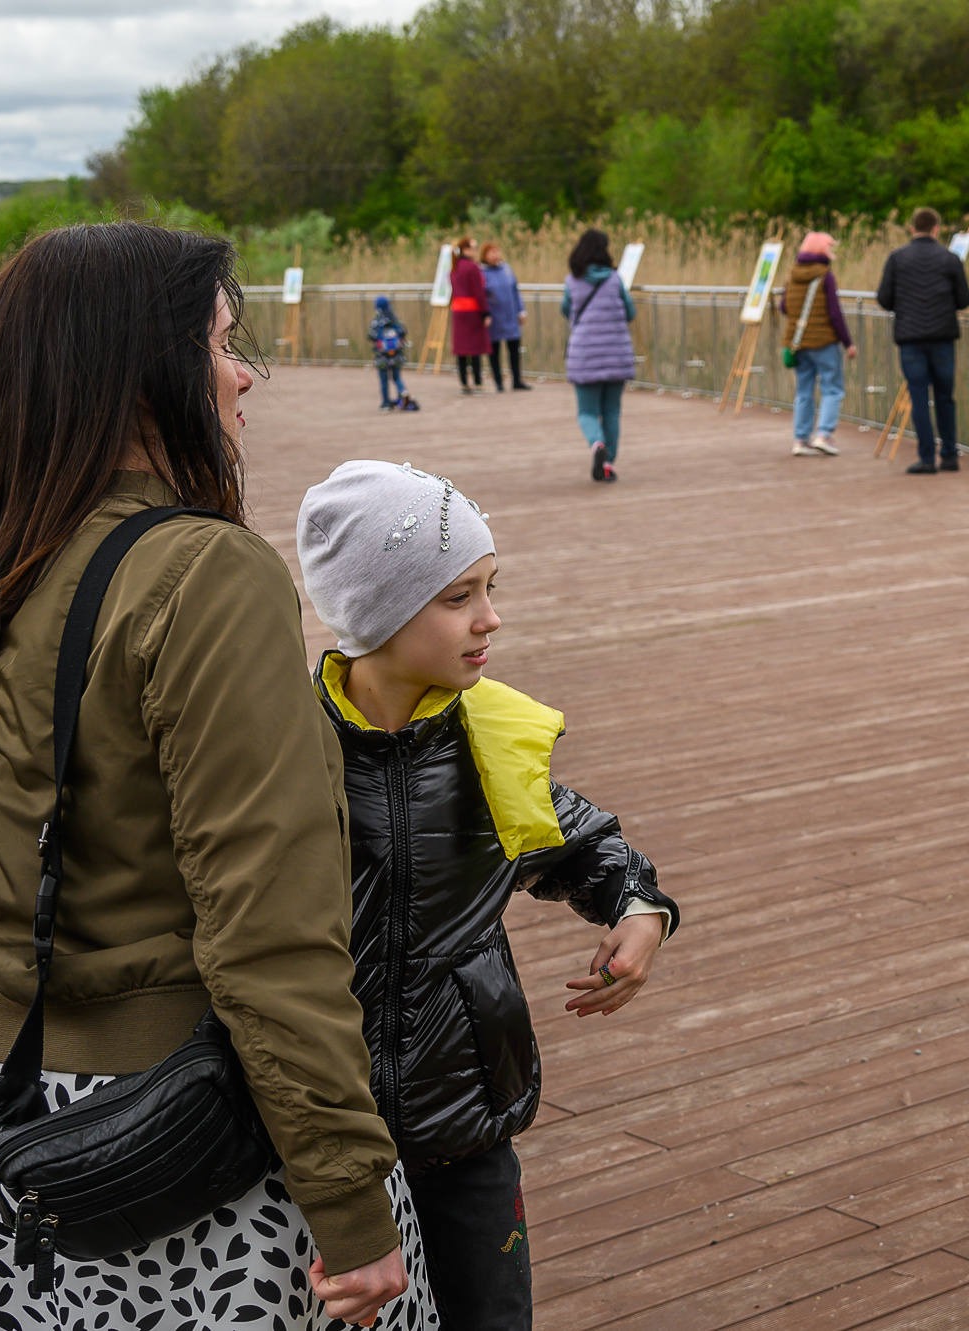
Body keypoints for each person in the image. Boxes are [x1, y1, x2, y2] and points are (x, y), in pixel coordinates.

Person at [0, 222, 428, 1330]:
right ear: (139, 375)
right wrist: (345, 1193)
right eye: (222, 344)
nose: (239, 377)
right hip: (191, 1144)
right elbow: (268, 922)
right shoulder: (202, 572)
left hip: (5, 1133)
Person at [296, 459, 679, 1329]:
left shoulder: (485, 735)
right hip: (317, 1139)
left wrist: (639, 907)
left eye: (489, 587)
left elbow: (584, 842)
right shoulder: (286, 744)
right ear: (380, 610)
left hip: (463, 1125)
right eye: (458, 596)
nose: (490, 618)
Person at [875, 206, 969, 474]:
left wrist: (905, 306)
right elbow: (965, 299)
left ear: (911, 229)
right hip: (942, 338)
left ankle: (927, 458)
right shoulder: (950, 258)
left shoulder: (897, 258)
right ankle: (950, 455)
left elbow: (883, 298)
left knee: (919, 398)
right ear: (936, 229)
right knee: (945, 397)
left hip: (910, 338)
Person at [561, 229, 635, 483]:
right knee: (612, 411)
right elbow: (630, 311)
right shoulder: (615, 279)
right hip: (616, 352)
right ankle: (609, 465)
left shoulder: (572, 280)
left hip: (585, 354)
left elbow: (566, 309)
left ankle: (596, 445)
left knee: (587, 412)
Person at [775, 230, 855, 457]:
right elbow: (834, 313)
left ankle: (800, 440)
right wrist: (848, 342)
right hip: (824, 342)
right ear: (822, 250)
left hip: (797, 343)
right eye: (829, 247)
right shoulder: (825, 276)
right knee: (832, 389)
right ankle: (824, 434)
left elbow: (784, 308)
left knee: (803, 391)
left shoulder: (792, 275)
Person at [480, 241, 529, 391]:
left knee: (514, 348)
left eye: (497, 251)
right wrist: (485, 314)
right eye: (492, 252)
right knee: (494, 351)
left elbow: (515, 290)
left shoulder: (507, 269)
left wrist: (521, 310)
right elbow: (481, 295)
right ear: (485, 255)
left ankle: (517, 380)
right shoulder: (482, 272)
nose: (495, 255)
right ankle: (498, 381)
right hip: (494, 317)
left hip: (510, 315)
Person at [450, 237, 492, 394]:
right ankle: (478, 383)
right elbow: (479, 293)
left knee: (461, 350)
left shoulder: (455, 266)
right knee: (475, 349)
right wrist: (485, 312)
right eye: (473, 248)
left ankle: (463, 383)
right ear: (466, 250)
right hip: (473, 311)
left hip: (458, 312)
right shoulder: (472, 267)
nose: (475, 251)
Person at [371, 295, 415, 411]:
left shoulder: (377, 321)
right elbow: (403, 331)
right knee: (396, 377)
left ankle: (386, 403)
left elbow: (371, 335)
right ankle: (403, 392)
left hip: (382, 357)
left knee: (384, 379)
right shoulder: (394, 319)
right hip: (396, 355)